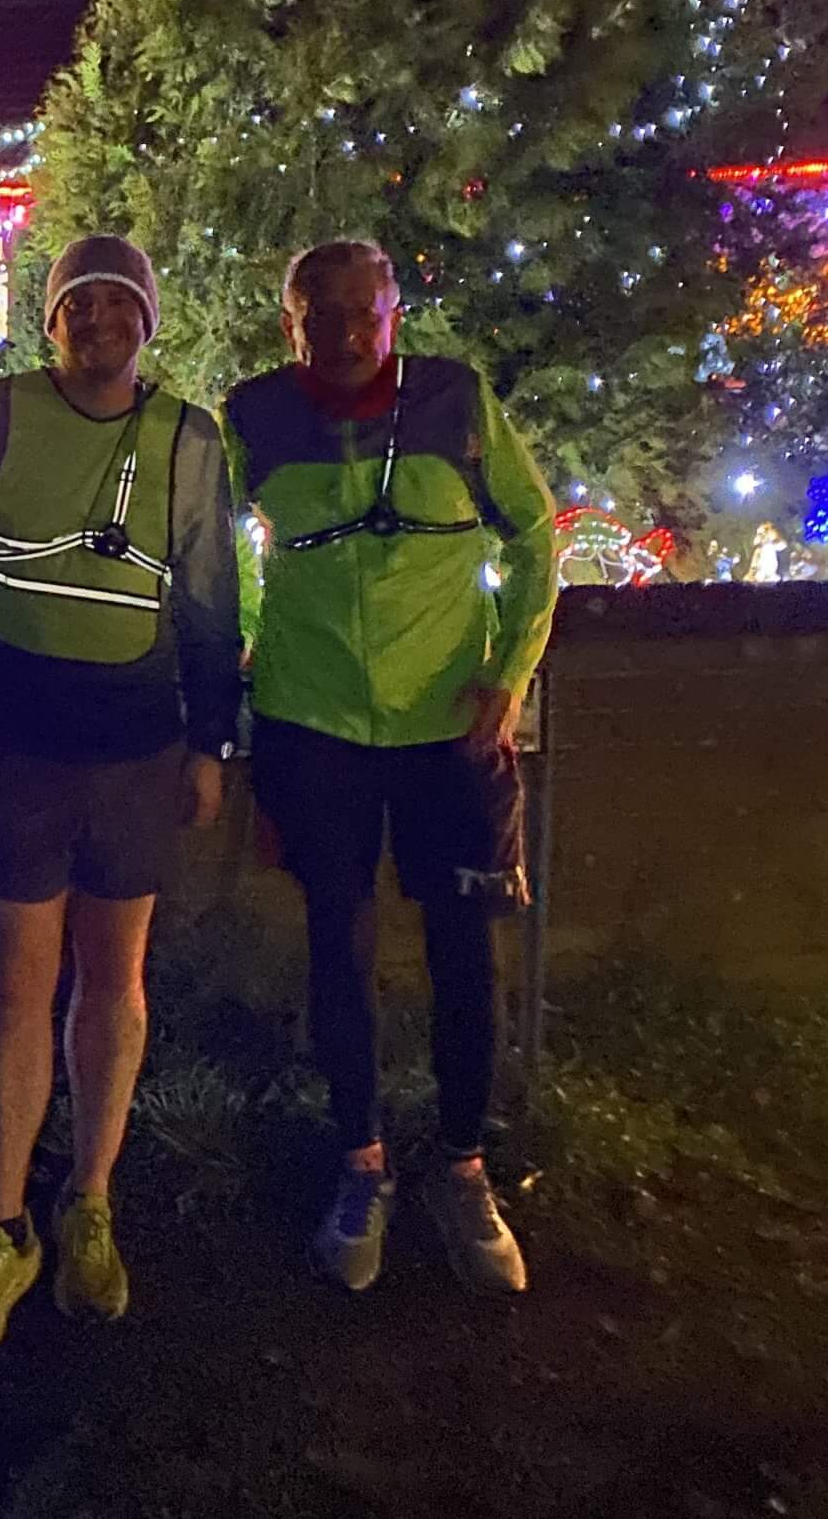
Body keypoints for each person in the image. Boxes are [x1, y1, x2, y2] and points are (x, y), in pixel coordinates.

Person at [0, 235, 242, 1353]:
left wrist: (209, 743)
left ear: (149, 320)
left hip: (139, 747)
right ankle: (2, 1227)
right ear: (48, 322)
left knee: (116, 979)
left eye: (118, 302)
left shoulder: (189, 441)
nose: (97, 319)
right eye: (76, 304)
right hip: (13, 743)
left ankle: (88, 1199)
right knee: (15, 987)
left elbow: (207, 599)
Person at [223, 239, 559, 1296]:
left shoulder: (456, 397)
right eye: (315, 315)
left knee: (465, 947)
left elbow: (539, 530)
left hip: (449, 724)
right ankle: (359, 1163)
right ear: (289, 324)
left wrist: (507, 671)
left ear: (394, 311)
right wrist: (245, 643)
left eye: (360, 311)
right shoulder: (254, 411)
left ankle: (463, 1166)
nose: (341, 332)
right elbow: (218, 542)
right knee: (339, 943)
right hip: (311, 718)